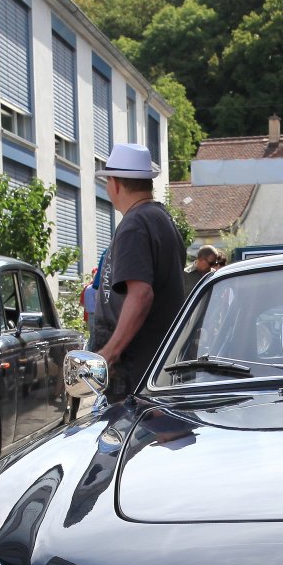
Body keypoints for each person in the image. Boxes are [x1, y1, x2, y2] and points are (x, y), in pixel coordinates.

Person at [89, 143, 186, 399]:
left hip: (135, 373)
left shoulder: (134, 225)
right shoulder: (160, 219)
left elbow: (141, 294)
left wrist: (109, 353)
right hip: (154, 368)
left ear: (115, 184)